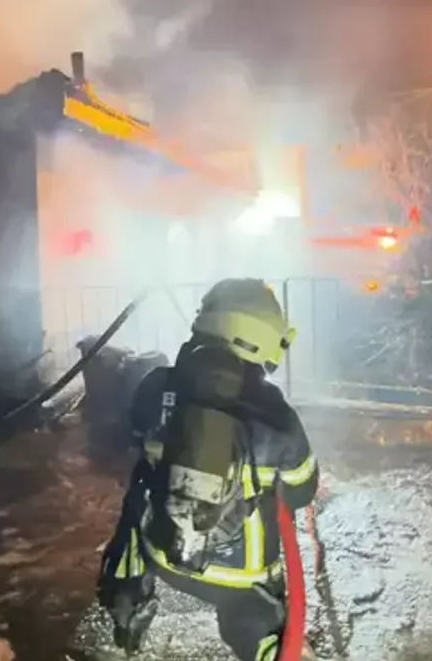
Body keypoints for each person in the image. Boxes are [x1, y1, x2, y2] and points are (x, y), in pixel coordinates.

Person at [96, 278, 320, 660]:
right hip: (240, 582)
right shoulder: (277, 415)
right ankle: (267, 645)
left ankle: (126, 600)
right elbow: (302, 489)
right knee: (257, 623)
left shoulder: (156, 385)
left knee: (139, 488)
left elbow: (133, 437)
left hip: (162, 554)